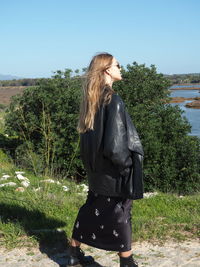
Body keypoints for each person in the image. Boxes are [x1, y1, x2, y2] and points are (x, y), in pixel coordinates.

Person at [68, 52, 144, 267]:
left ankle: (73, 252)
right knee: (122, 212)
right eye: (117, 65)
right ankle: (126, 261)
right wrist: (127, 167)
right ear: (107, 70)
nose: (121, 68)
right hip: (114, 170)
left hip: (96, 171)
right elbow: (115, 146)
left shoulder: (91, 100)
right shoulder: (113, 100)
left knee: (92, 208)